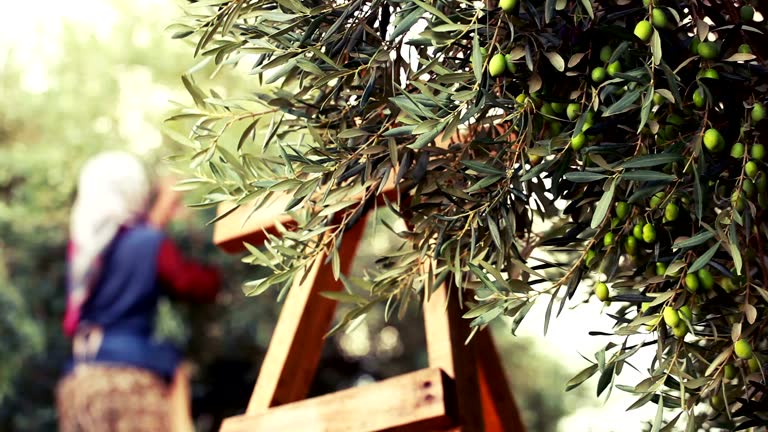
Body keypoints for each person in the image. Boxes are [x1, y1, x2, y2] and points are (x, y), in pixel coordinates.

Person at [56, 151, 220, 432]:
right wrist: (219, 272)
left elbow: (128, 248)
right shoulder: (149, 243)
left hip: (80, 376)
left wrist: (163, 213)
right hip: (131, 377)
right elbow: (190, 283)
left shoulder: (84, 251)